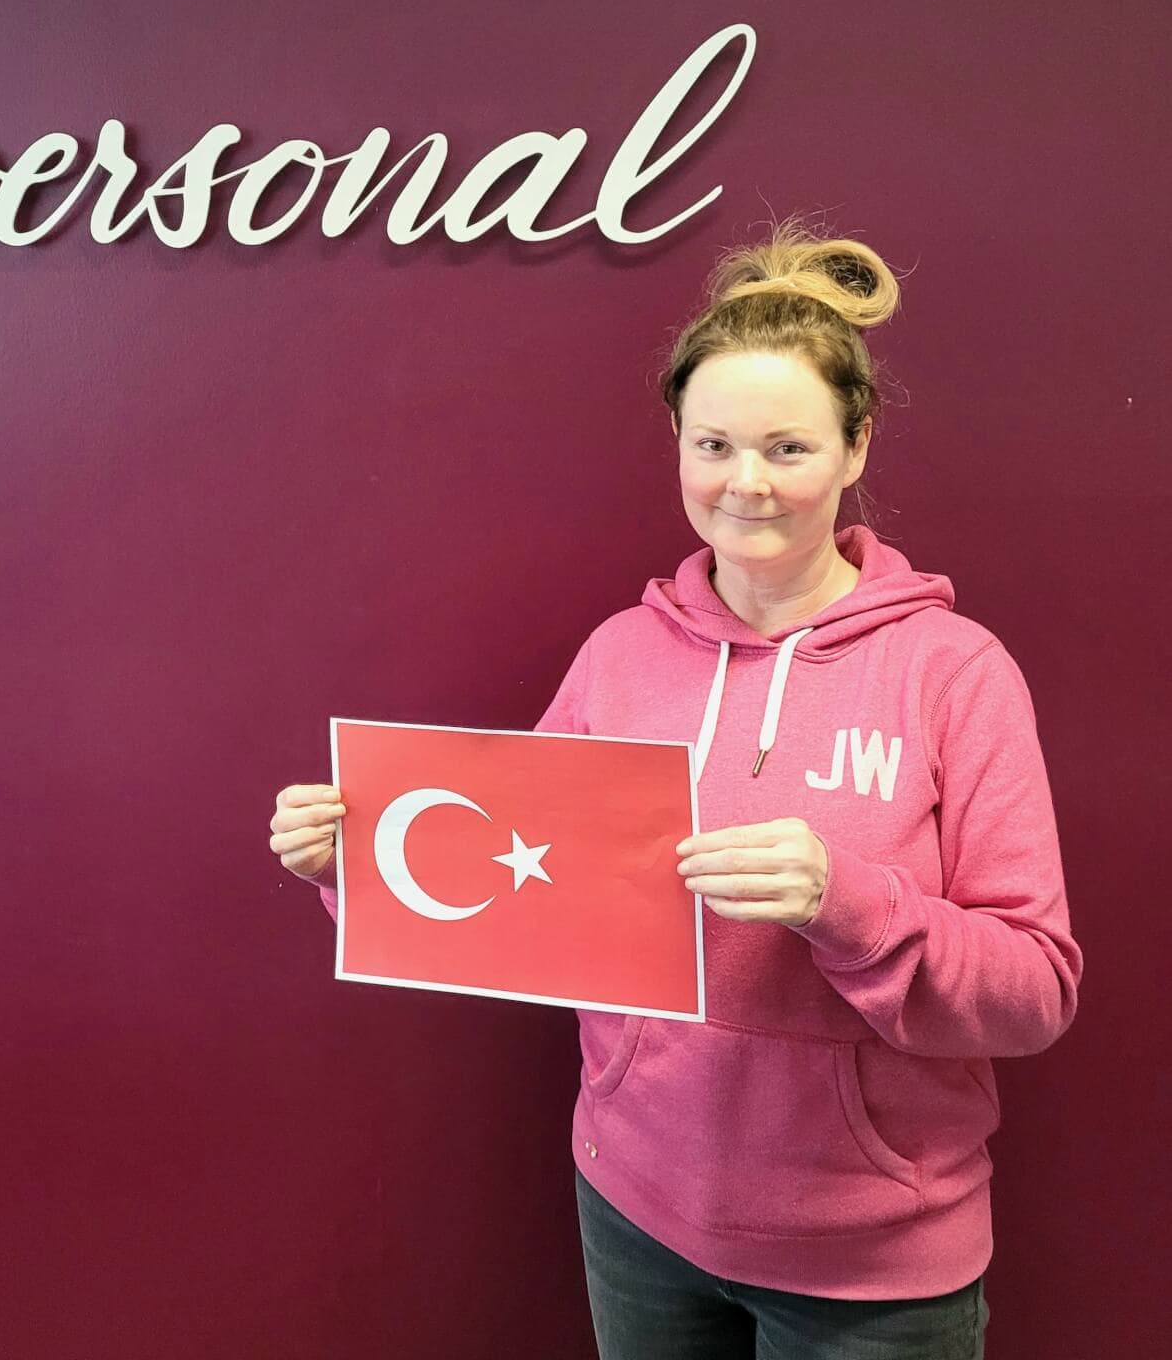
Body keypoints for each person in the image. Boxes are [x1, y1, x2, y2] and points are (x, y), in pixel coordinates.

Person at [268, 223, 1081, 1359]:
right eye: (714, 444)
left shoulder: (953, 672)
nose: (747, 482)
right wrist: (357, 867)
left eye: (788, 447)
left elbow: (1036, 992)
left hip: (872, 1264)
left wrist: (846, 902)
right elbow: (518, 900)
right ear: (679, 445)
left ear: (855, 447)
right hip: (635, 1213)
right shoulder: (619, 655)